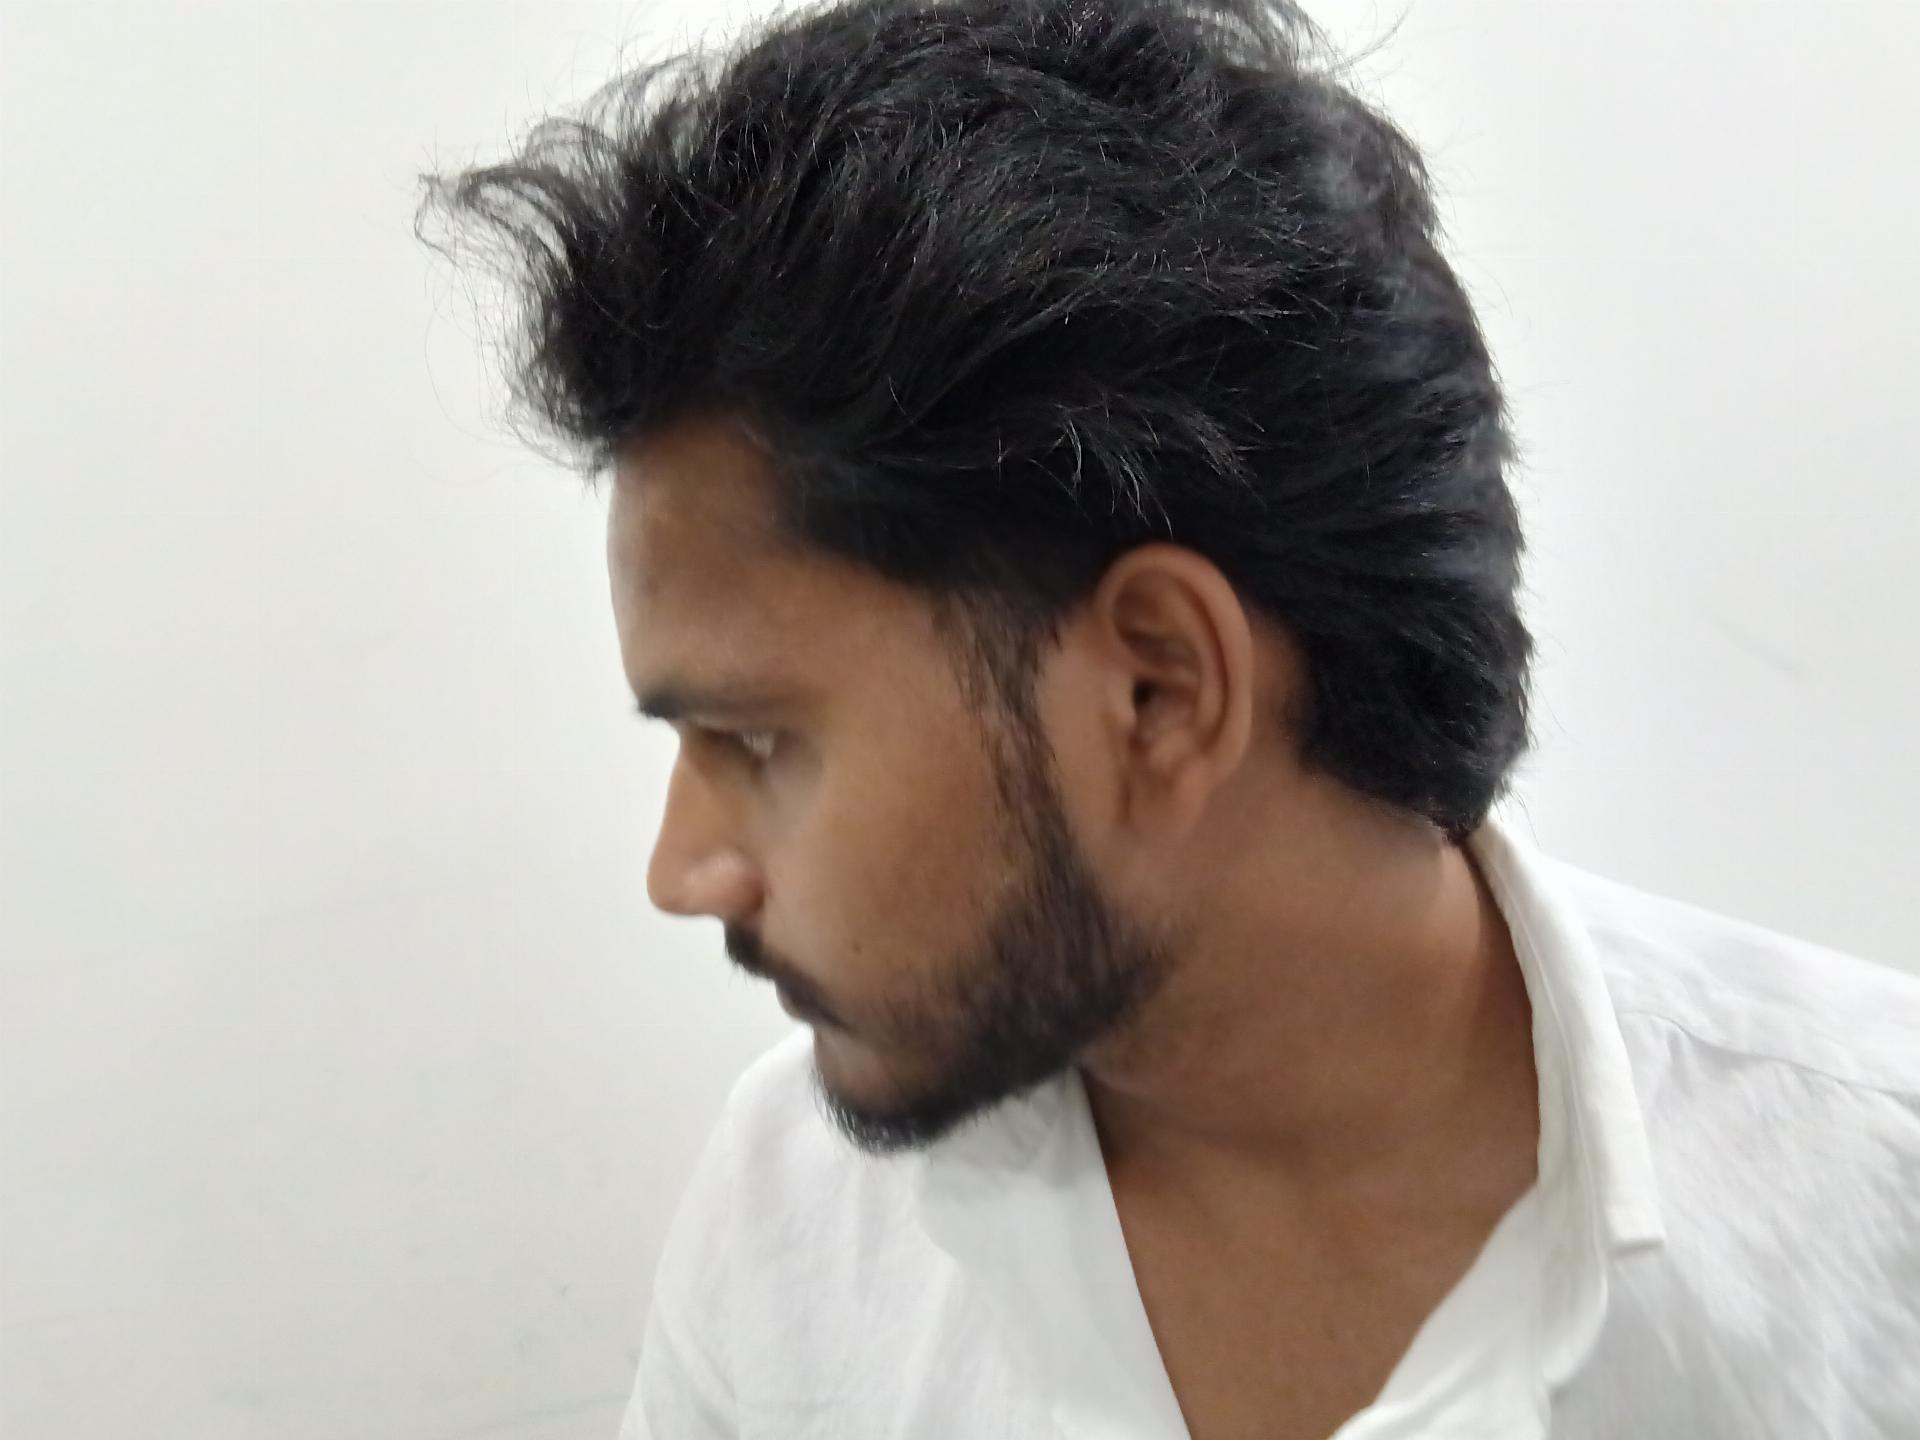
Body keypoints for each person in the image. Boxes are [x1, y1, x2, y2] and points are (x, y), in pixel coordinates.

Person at [417, 0, 1920, 1434]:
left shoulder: (1874, 1206)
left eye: (756, 742)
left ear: (1158, 691)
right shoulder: (794, 1225)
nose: (684, 871)